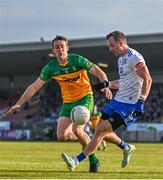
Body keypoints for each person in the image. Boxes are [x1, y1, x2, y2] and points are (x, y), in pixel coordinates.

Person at [6, 35, 112, 173]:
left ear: (67, 48)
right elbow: (34, 87)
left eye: (62, 46)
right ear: (53, 51)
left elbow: (98, 71)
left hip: (84, 98)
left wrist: (106, 86)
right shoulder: (50, 67)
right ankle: (91, 141)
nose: (60, 49)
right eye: (57, 47)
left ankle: (93, 161)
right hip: (67, 102)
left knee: (77, 130)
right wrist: (19, 104)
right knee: (61, 137)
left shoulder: (77, 60)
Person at [61, 31, 152, 171]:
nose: (110, 49)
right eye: (109, 46)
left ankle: (76, 160)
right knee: (99, 131)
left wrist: (141, 101)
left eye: (112, 45)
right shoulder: (121, 59)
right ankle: (126, 147)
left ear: (121, 43)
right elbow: (124, 82)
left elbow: (148, 79)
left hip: (130, 105)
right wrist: (106, 85)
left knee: (101, 130)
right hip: (118, 100)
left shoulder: (134, 57)